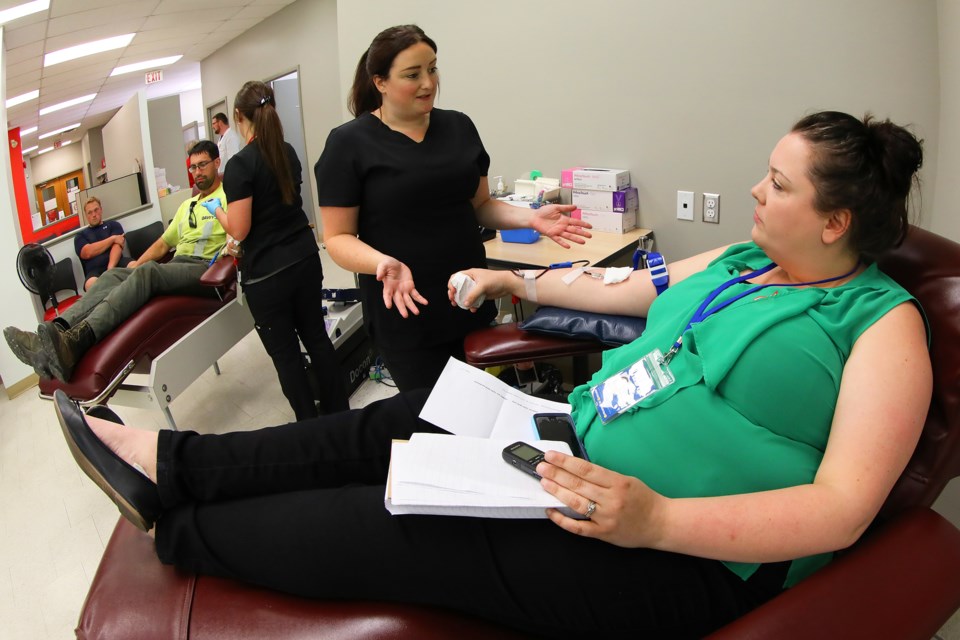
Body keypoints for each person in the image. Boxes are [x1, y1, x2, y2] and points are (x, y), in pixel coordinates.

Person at [54, 111, 931, 638]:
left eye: (777, 185)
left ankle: (175, 538)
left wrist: (657, 518)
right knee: (386, 423)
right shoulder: (743, 261)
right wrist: (520, 279)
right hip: (570, 445)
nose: (754, 192)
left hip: (669, 552)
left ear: (836, 220)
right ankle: (173, 467)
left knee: (392, 521)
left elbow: (840, 509)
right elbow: (627, 288)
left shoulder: (883, 329)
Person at [314, 25, 592, 392]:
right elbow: (337, 238)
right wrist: (381, 263)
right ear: (379, 81)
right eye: (413, 75)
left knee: (480, 408)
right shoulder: (348, 143)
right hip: (406, 310)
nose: (428, 82)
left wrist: (531, 218)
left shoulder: (458, 127)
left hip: (469, 299)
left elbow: (482, 206)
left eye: (432, 68)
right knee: (434, 421)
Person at [4, 141, 229, 383]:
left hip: (205, 269)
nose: (196, 172)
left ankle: (77, 341)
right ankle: (56, 334)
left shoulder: (228, 197)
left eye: (202, 165)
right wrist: (135, 264)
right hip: (178, 264)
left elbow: (236, 233)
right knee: (113, 275)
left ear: (217, 162)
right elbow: (163, 243)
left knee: (148, 273)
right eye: (193, 167)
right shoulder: (187, 205)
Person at [206, 81, 348, 420]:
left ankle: (310, 427)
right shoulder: (287, 151)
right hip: (304, 260)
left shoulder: (241, 165)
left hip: (268, 276)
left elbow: (240, 230)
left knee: (286, 357)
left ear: (239, 116)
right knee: (316, 338)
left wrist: (218, 211)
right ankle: (341, 416)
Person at [75, 197, 131, 290]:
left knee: (135, 265)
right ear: (86, 215)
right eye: (90, 212)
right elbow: (88, 252)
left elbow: (118, 245)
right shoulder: (80, 236)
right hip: (94, 271)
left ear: (101, 210)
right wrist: (112, 239)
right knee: (90, 285)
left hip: (117, 263)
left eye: (96, 210)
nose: (94, 214)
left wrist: (110, 269)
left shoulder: (114, 225)